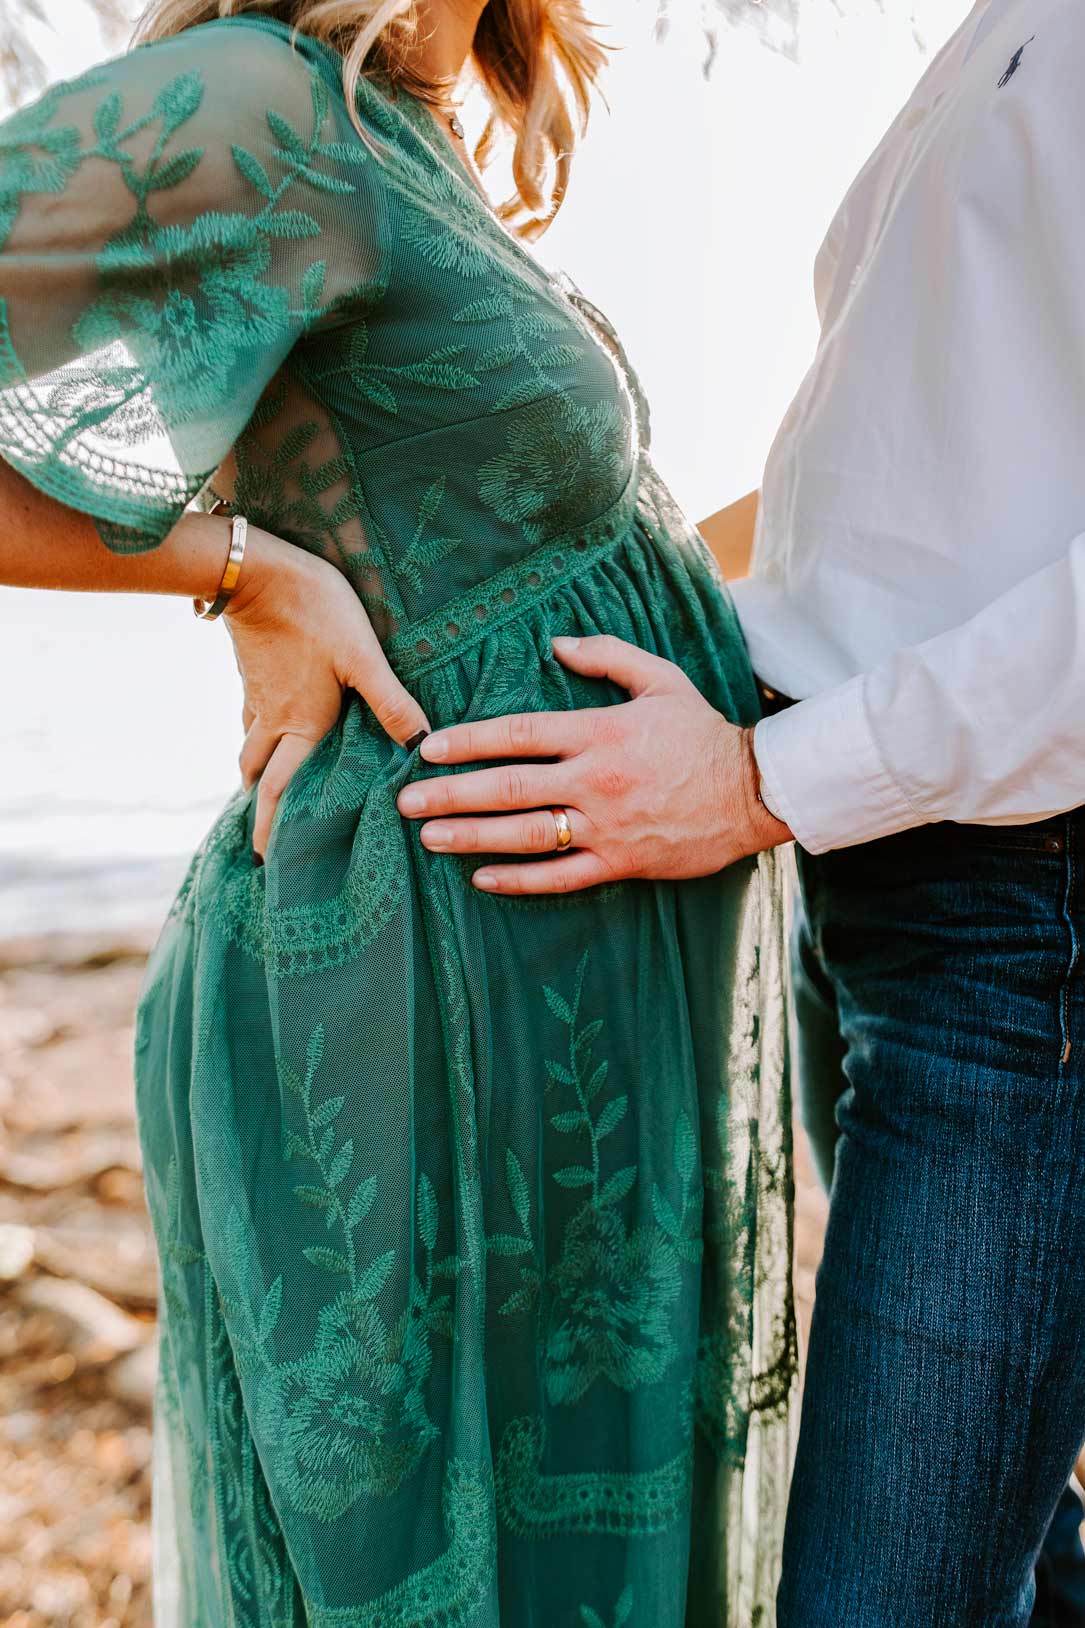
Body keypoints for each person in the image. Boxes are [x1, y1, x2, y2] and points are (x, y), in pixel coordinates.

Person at [0, 1, 799, 1622]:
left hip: (562, 1029)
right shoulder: (258, 96)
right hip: (424, 1015)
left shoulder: (408, 131)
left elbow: (583, 574)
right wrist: (244, 576)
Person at [398, 0, 1085, 1621]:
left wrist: (763, 781)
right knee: (1006, 1545)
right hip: (869, 878)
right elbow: (896, 489)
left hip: (1016, 918)